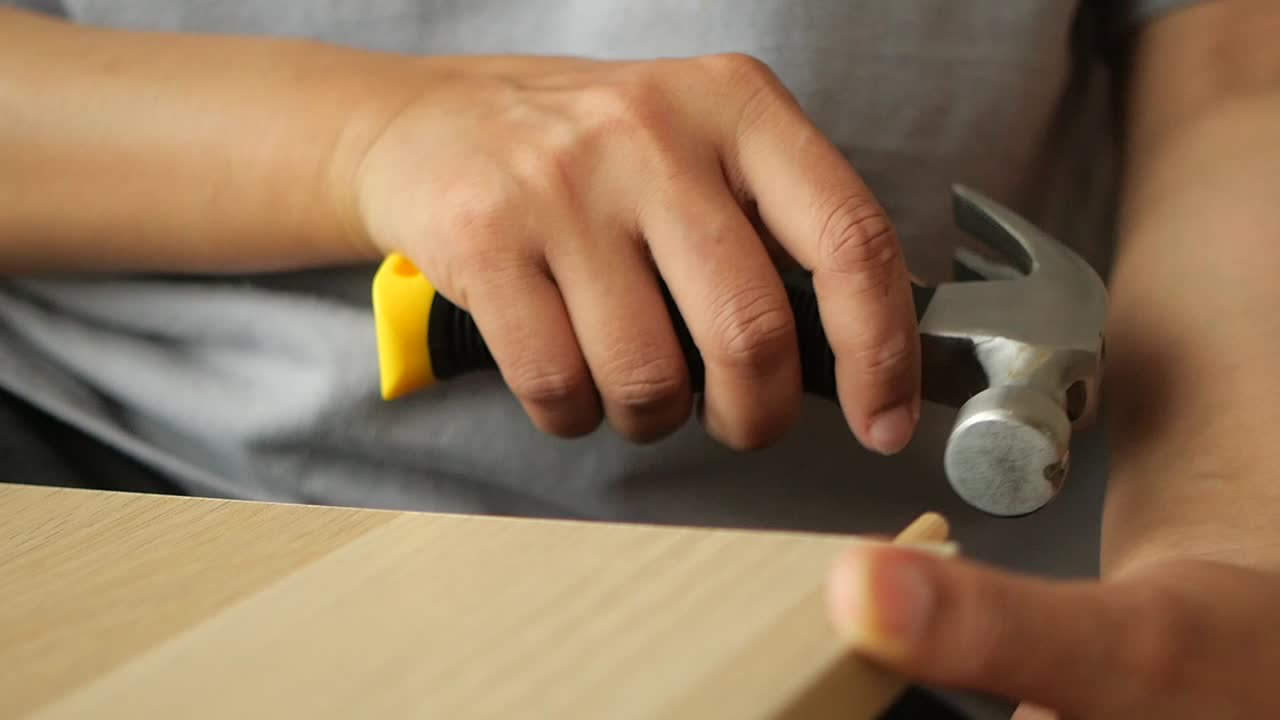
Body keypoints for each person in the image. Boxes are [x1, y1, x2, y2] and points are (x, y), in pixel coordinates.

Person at [2, 0, 1277, 716]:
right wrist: (365, 137)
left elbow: (1236, 70)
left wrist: (1224, 557)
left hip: (926, 627)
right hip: (127, 489)